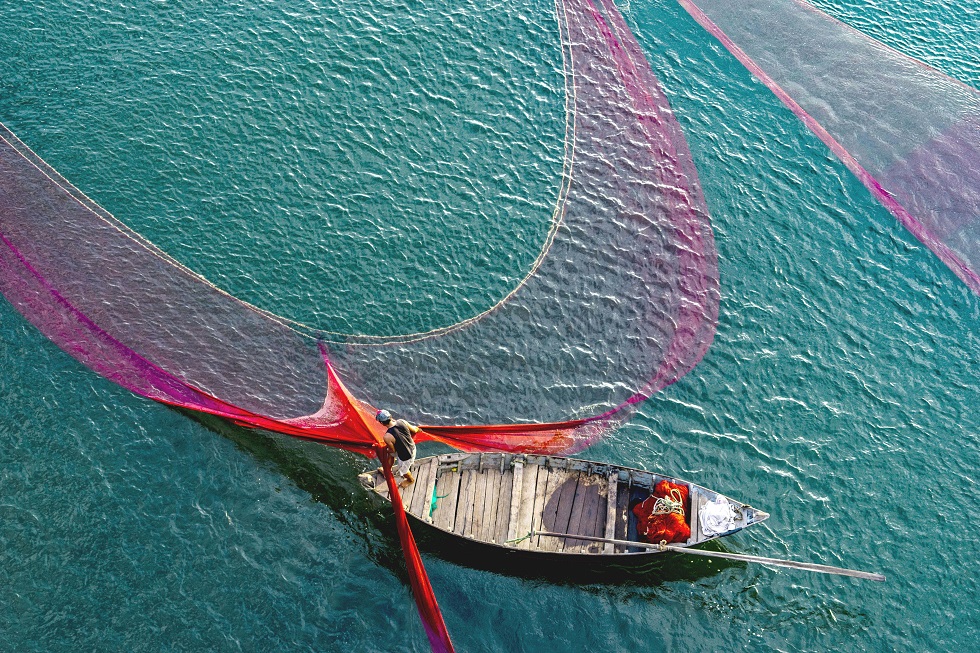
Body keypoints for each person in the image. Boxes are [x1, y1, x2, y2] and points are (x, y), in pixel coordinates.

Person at [376, 409, 420, 488]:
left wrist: (385, 450)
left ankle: (410, 480)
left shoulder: (387, 437)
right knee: (391, 455)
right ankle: (387, 471)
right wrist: (419, 429)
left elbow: (392, 450)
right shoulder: (402, 422)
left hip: (406, 456)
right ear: (391, 416)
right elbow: (414, 430)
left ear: (381, 423)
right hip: (412, 447)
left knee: (404, 471)